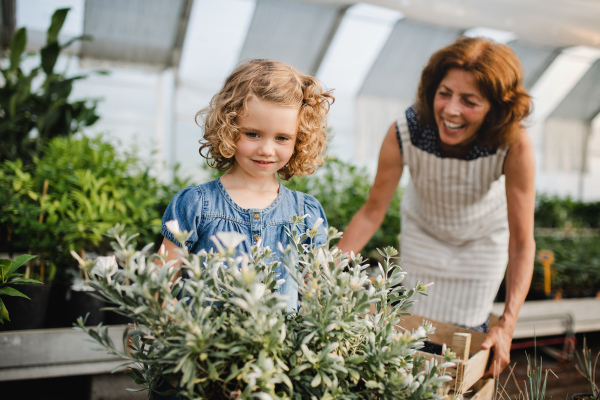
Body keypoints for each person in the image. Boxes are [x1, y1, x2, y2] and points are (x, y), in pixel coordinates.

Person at [338, 36, 536, 378]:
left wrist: (506, 324)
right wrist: (329, 270)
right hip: (423, 236)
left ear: (496, 108)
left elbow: (522, 242)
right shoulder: (406, 130)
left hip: (480, 245)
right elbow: (372, 212)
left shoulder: (513, 143)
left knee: (464, 340)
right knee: (415, 336)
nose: (451, 109)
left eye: (470, 101)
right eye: (444, 93)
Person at [154, 59, 334, 398]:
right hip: (201, 370)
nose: (267, 149)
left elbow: (318, 291)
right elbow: (160, 281)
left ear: (300, 140)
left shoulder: (307, 213)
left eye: (283, 137)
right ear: (228, 127)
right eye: (253, 134)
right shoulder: (195, 204)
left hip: (276, 372)